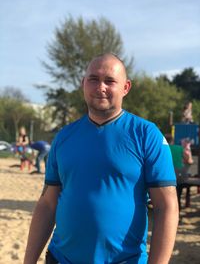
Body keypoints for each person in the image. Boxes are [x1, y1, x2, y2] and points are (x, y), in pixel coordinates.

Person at [24, 53, 179, 264]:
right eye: (93, 79)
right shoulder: (64, 137)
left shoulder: (146, 135)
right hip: (61, 258)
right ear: (83, 84)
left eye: (110, 81)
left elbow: (166, 207)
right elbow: (48, 204)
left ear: (126, 87)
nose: (101, 87)